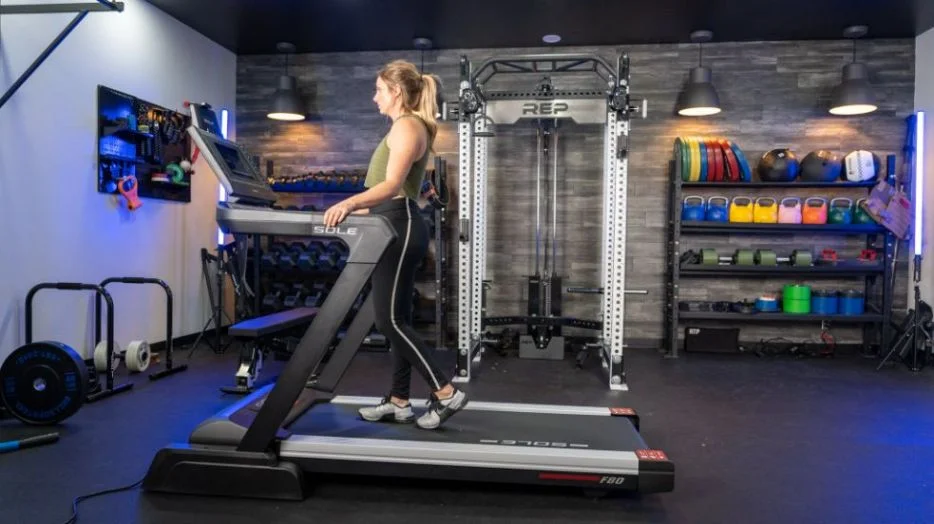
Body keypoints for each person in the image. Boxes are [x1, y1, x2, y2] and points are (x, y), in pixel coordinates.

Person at [322, 60, 467, 430]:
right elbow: (400, 191)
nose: (375, 98)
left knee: (388, 321)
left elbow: (391, 187)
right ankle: (400, 400)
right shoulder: (409, 126)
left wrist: (348, 203)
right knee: (396, 318)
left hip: (397, 228)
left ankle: (446, 392)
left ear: (396, 92)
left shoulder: (406, 126)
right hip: (391, 225)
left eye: (379, 90)